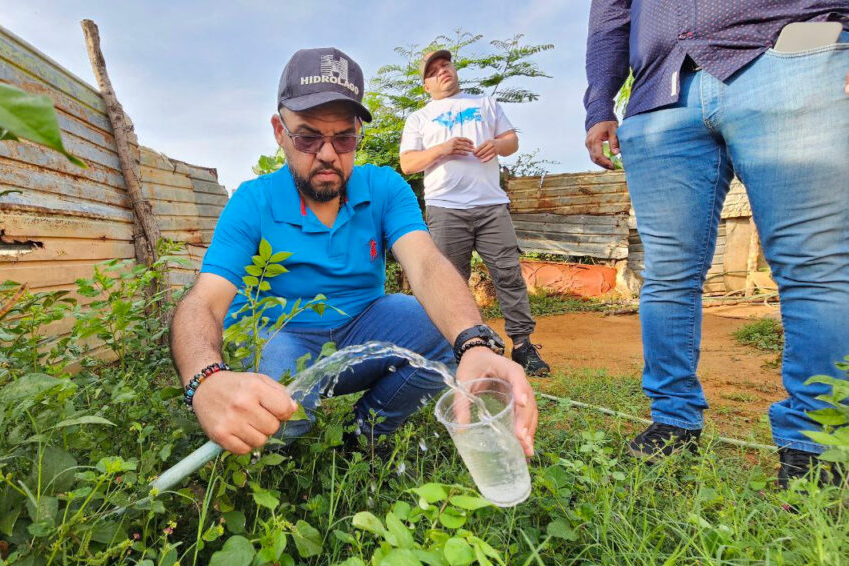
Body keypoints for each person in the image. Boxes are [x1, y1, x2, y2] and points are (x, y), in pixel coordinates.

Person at [170, 47, 537, 457]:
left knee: (443, 333)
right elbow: (204, 300)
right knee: (279, 414)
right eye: (308, 137)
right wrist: (206, 379)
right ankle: (280, 457)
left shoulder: (384, 188)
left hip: (364, 326)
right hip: (283, 336)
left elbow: (426, 263)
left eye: (343, 138)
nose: (327, 154)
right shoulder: (253, 201)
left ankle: (364, 436)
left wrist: (473, 342)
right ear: (279, 132)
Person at [583, 1, 849, 487]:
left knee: (813, 264)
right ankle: (672, 419)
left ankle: (817, 444)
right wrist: (600, 103)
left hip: (792, 55)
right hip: (659, 92)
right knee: (666, 275)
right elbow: (610, 15)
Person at [399, 50, 551, 377]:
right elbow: (408, 163)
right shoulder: (419, 118)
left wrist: (496, 145)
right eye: (433, 71)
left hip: (491, 205)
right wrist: (442, 149)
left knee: (508, 274)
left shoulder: (485, 103)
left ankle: (522, 346)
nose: (442, 71)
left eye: (445, 65)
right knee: (449, 280)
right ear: (426, 85)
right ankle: (456, 348)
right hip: (445, 207)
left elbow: (511, 141)